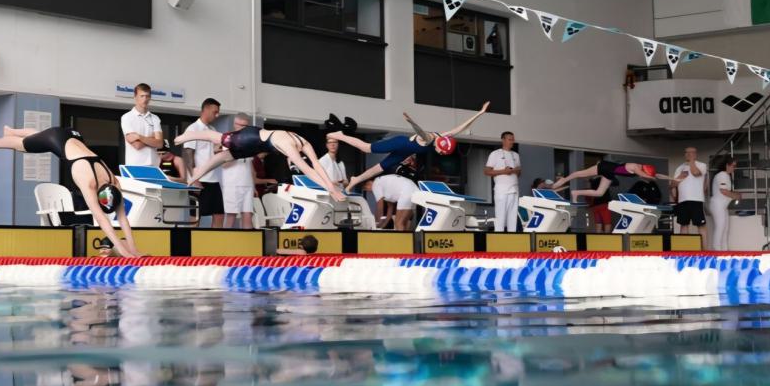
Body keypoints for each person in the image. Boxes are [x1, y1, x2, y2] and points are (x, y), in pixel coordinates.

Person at [0, 126, 143, 258]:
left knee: (39, 137)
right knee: (23, 146)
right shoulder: (88, 181)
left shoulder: (114, 182)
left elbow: (123, 218)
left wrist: (133, 249)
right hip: (55, 138)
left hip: (71, 136)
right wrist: (122, 250)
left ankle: (12, 131)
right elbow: (101, 219)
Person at [329, 101, 490, 192]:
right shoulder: (429, 140)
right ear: (440, 145)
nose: (440, 153)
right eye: (441, 151)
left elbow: (461, 127)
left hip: (405, 152)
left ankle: (354, 181)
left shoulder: (444, 137)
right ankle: (341, 135)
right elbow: (420, 131)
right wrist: (411, 121)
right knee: (366, 148)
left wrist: (480, 113)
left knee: (379, 168)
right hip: (400, 143)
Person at [173, 124, 346, 202]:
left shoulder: (305, 143)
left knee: (226, 157)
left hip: (258, 146)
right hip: (251, 138)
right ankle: (188, 136)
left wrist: (329, 185)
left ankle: (196, 175)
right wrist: (330, 188)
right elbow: (306, 168)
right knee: (220, 139)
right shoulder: (290, 145)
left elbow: (317, 165)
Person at [183, 98, 224, 227]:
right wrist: (195, 179)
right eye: (214, 112)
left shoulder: (212, 129)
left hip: (213, 179)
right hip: (199, 179)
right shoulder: (193, 129)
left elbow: (214, 151)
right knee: (195, 216)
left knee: (219, 214)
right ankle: (192, 245)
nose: (216, 115)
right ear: (205, 109)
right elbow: (187, 154)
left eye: (218, 112)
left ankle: (216, 245)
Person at [552, 160, 672, 203]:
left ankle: (576, 193)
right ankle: (564, 179)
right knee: (580, 173)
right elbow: (644, 175)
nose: (644, 178)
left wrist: (673, 178)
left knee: (599, 193)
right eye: (646, 176)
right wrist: (652, 178)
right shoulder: (635, 167)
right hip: (605, 167)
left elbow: (657, 175)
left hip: (610, 173)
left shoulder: (643, 170)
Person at [220, 113, 256, 229]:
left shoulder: (250, 141)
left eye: (245, 126)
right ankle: (224, 244)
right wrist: (238, 153)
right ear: (234, 124)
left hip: (247, 184)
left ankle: (249, 246)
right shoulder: (228, 140)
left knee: (247, 215)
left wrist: (253, 185)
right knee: (231, 215)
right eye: (240, 125)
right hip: (232, 184)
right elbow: (224, 164)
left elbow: (250, 165)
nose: (242, 128)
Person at [671, 147, 709, 248]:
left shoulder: (702, 165)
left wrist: (692, 161)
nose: (688, 154)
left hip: (696, 199)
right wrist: (680, 177)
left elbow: (696, 173)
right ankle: (685, 249)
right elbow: (672, 184)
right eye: (687, 152)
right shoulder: (679, 168)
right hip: (683, 200)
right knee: (683, 224)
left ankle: (705, 250)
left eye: (691, 153)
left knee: (700, 225)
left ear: (695, 154)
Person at [484, 131, 520, 232]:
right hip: (502, 190)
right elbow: (487, 171)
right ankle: (499, 239)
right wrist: (504, 171)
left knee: (513, 218)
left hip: (514, 189)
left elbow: (519, 173)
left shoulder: (516, 155)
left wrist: (517, 170)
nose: (512, 141)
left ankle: (512, 240)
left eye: (513, 139)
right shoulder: (495, 154)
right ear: (503, 140)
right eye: (509, 139)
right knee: (501, 217)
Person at [120, 83, 163, 167]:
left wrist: (139, 137)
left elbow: (160, 144)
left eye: (147, 96)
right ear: (135, 97)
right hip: (135, 166)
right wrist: (152, 138)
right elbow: (137, 145)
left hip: (154, 167)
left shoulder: (155, 118)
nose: (145, 99)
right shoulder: (126, 117)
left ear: (150, 98)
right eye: (142, 96)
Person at [710, 156, 741, 251]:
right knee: (720, 228)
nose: (734, 168)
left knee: (725, 229)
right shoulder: (722, 175)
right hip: (717, 205)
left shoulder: (726, 175)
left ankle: (724, 250)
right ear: (727, 165)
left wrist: (735, 195)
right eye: (733, 166)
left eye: (735, 166)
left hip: (722, 206)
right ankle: (717, 250)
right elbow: (723, 191)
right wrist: (736, 195)